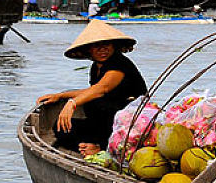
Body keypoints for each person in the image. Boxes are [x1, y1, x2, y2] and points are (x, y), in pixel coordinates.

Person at [37, 21, 147, 155]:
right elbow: (91, 90)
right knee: (61, 129)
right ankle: (91, 146)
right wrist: (60, 96)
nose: (102, 50)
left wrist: (72, 103)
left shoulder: (119, 64)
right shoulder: (96, 66)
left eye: (106, 45)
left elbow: (102, 88)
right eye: (97, 46)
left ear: (114, 46)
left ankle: (100, 147)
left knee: (96, 104)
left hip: (129, 122)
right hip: (105, 124)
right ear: (89, 49)